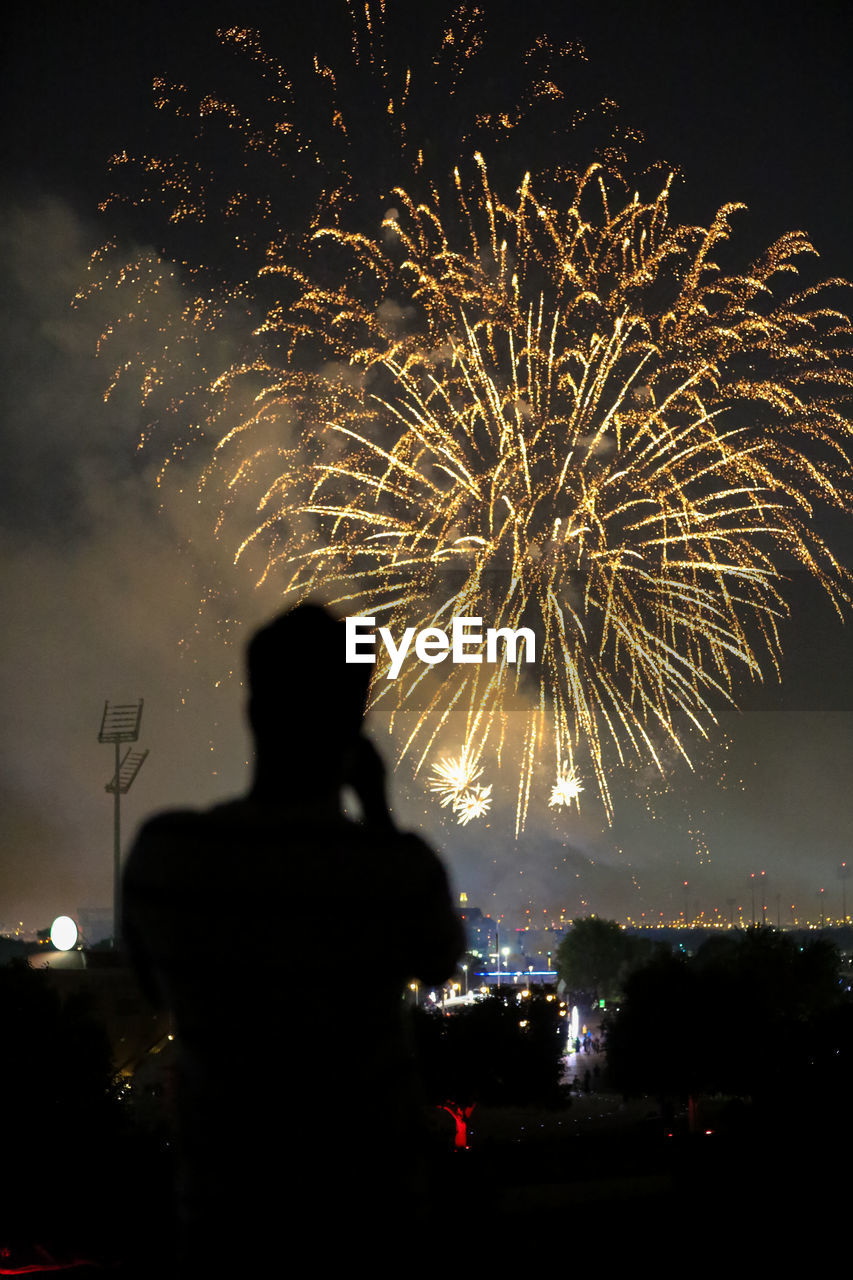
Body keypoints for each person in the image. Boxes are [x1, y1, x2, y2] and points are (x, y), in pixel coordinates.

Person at [123, 605, 464, 1269]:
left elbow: (148, 990)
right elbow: (440, 960)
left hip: (227, 1227)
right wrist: (378, 811)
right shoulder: (394, 869)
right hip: (371, 1227)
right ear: (355, 730)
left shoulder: (167, 855)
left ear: (253, 715)